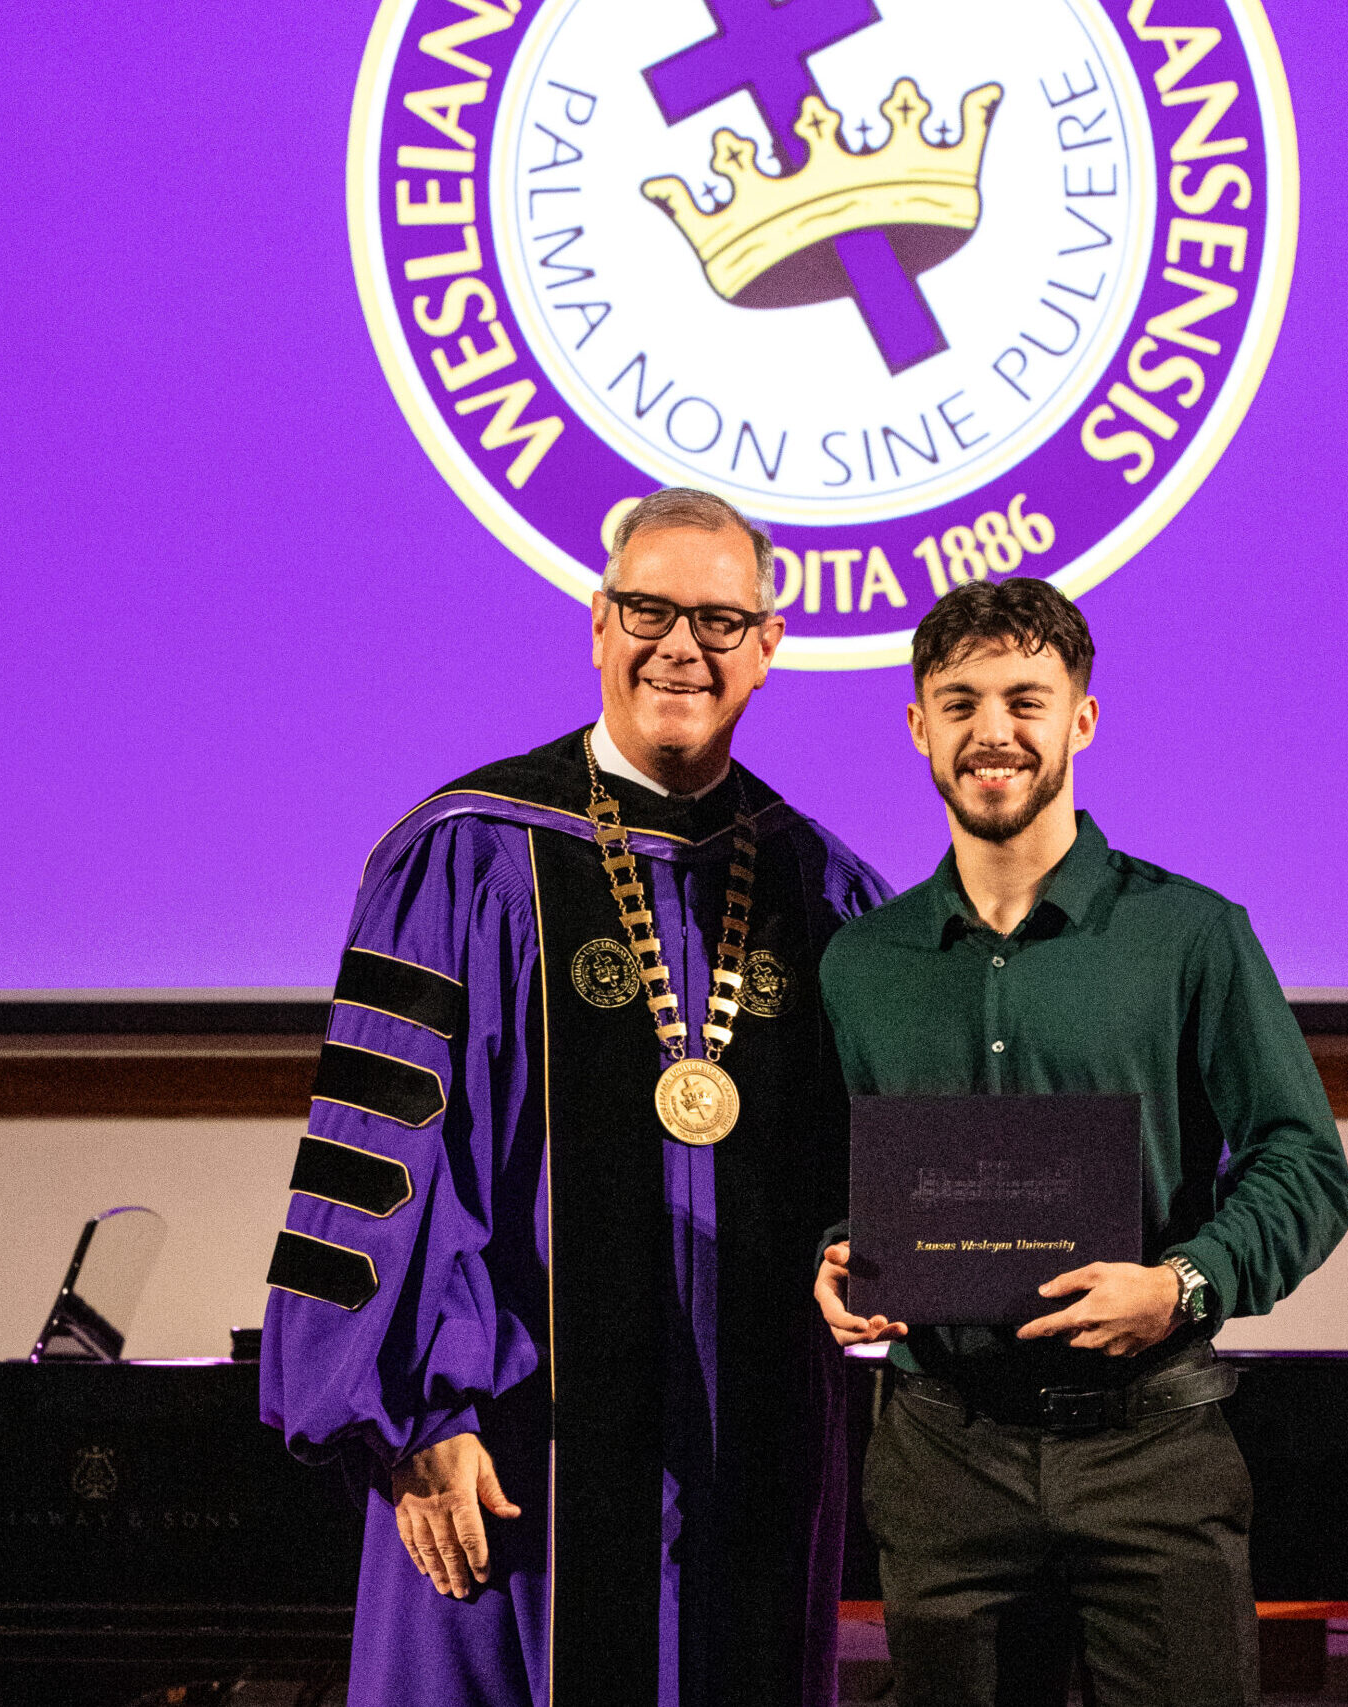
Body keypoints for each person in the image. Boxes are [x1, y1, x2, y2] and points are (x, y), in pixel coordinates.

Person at [261, 487, 889, 1707]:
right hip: (507, 1445)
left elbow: (854, 1170)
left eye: (719, 620)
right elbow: (387, 1159)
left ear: (768, 648)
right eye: (649, 609)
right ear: (598, 624)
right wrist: (416, 1416)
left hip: (749, 1459)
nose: (680, 647)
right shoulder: (470, 854)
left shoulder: (824, 885)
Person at [814, 578, 1348, 1707]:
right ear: (919, 727)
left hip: (1149, 1451)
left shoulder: (1191, 937)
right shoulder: (860, 964)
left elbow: (1303, 1166)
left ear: (1081, 720)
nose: (993, 733)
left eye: (1026, 699)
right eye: (958, 704)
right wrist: (838, 1256)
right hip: (941, 1457)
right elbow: (838, 1182)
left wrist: (1182, 1282)